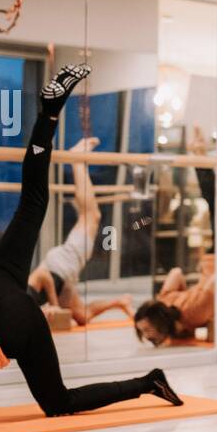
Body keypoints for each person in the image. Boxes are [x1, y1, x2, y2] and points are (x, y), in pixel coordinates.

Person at [0, 66, 182, 415]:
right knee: (32, 205)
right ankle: (49, 114)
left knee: (61, 403)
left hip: (8, 324)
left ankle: (149, 382)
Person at [26, 137, 134, 325]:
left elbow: (42, 275)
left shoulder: (24, 295)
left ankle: (77, 161)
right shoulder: (22, 309)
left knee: (92, 215)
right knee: (82, 316)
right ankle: (120, 302)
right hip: (65, 275)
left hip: (60, 265)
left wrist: (54, 304)